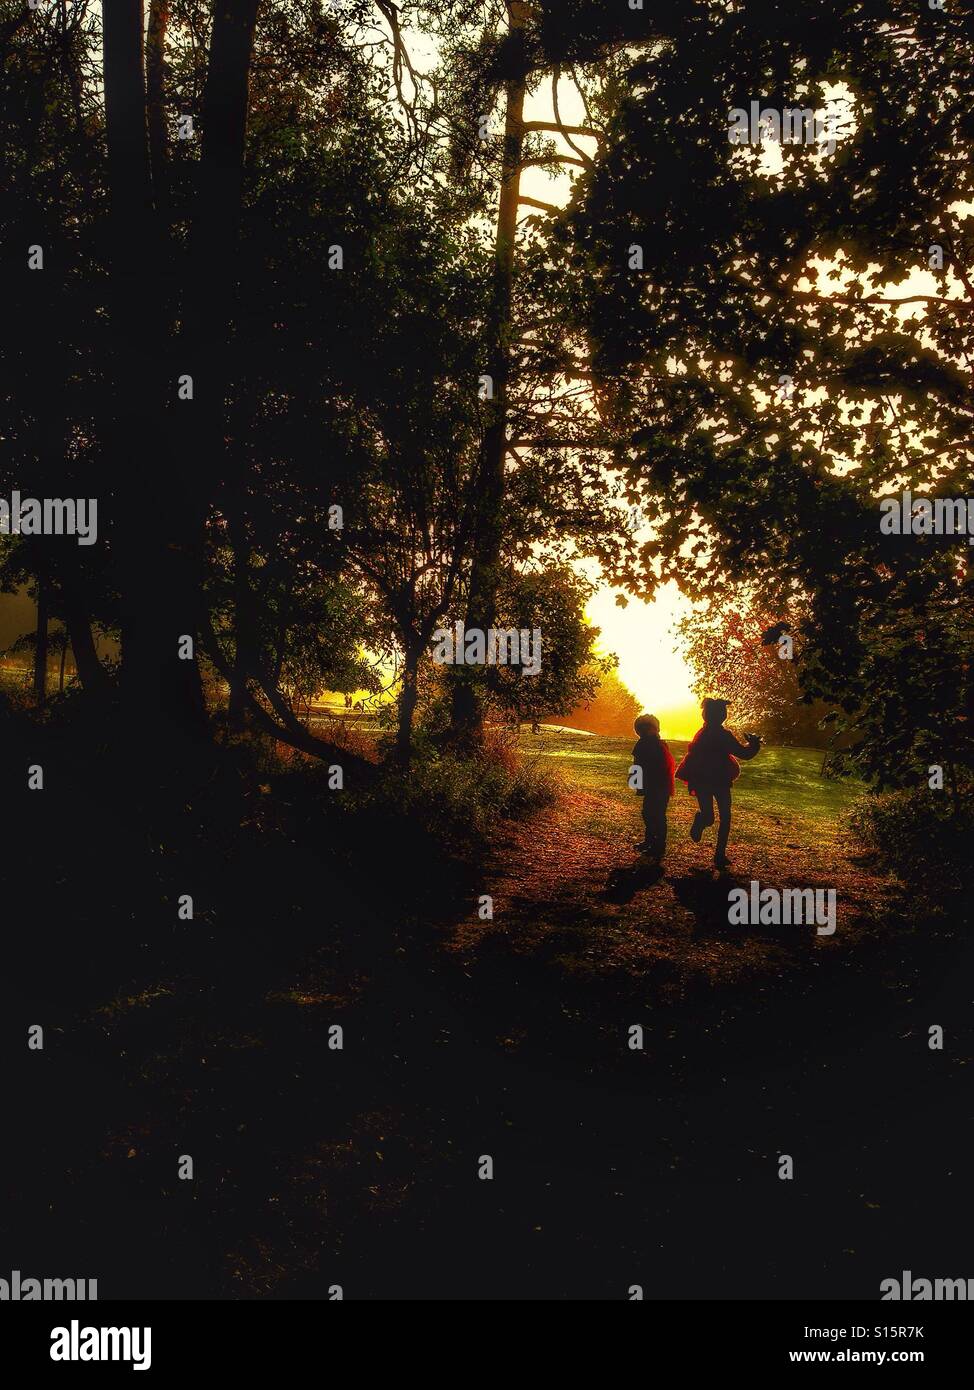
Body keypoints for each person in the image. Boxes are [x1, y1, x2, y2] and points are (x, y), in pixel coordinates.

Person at [675, 698, 760, 870]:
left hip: (703, 781)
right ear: (721, 715)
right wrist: (754, 744)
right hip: (718, 780)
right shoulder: (723, 735)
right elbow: (743, 754)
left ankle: (716, 848)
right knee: (724, 818)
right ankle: (718, 852)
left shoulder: (702, 733)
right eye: (723, 713)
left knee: (712, 816)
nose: (724, 715)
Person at [631, 714, 676, 860]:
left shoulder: (658, 745)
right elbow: (637, 763)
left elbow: (639, 764)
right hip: (654, 785)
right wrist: (637, 783)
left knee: (656, 814)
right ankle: (651, 840)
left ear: (654, 729)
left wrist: (637, 782)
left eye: (645, 728)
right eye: (640, 729)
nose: (643, 731)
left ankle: (658, 844)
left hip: (659, 785)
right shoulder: (645, 743)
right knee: (648, 813)